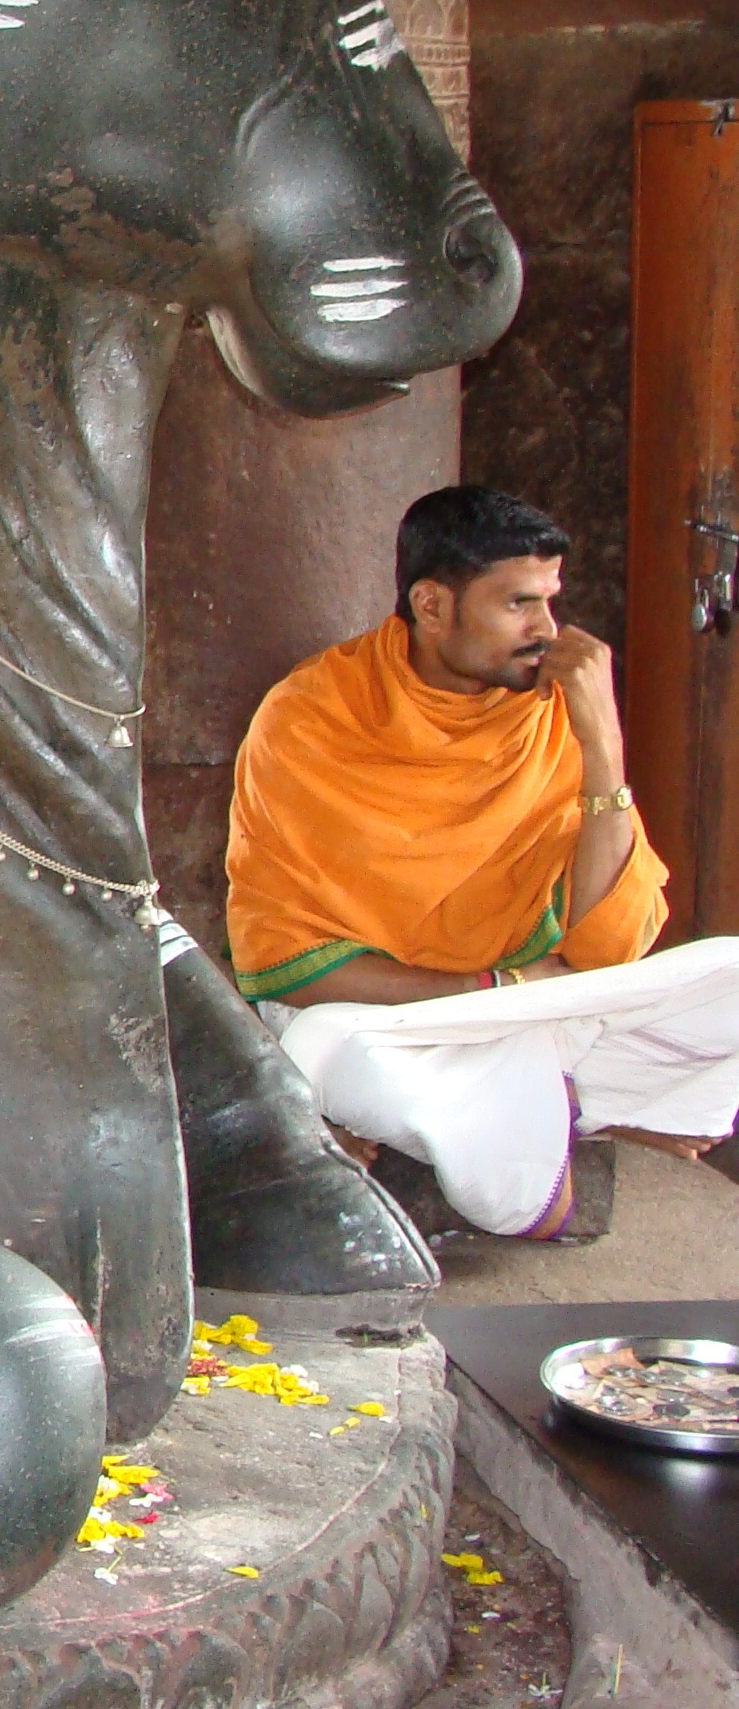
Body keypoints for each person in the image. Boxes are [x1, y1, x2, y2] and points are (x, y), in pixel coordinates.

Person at [223, 485, 739, 1239]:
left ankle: (539, 1106)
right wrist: (493, 989)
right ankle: (570, 1111)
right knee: (324, 1050)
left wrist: (603, 743)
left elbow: (608, 945)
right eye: (518, 604)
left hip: (534, 1007)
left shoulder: (549, 707)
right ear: (432, 605)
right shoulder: (310, 719)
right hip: (390, 1021)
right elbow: (288, 969)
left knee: (730, 973)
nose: (547, 630)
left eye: (550, 601)